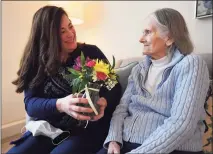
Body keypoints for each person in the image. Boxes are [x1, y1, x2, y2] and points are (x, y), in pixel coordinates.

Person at [7, 5, 121, 154]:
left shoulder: (91, 53)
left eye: (70, 26)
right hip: (50, 128)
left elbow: (115, 86)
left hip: (87, 129)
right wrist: (60, 104)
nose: (70, 34)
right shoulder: (35, 62)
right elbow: (30, 104)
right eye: (62, 31)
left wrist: (104, 101)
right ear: (47, 36)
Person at [97, 8, 209, 154]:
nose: (141, 39)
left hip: (172, 149)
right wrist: (114, 140)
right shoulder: (139, 69)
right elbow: (122, 109)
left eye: (148, 32)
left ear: (169, 37)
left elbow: (181, 123)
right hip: (125, 144)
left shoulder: (191, 64)